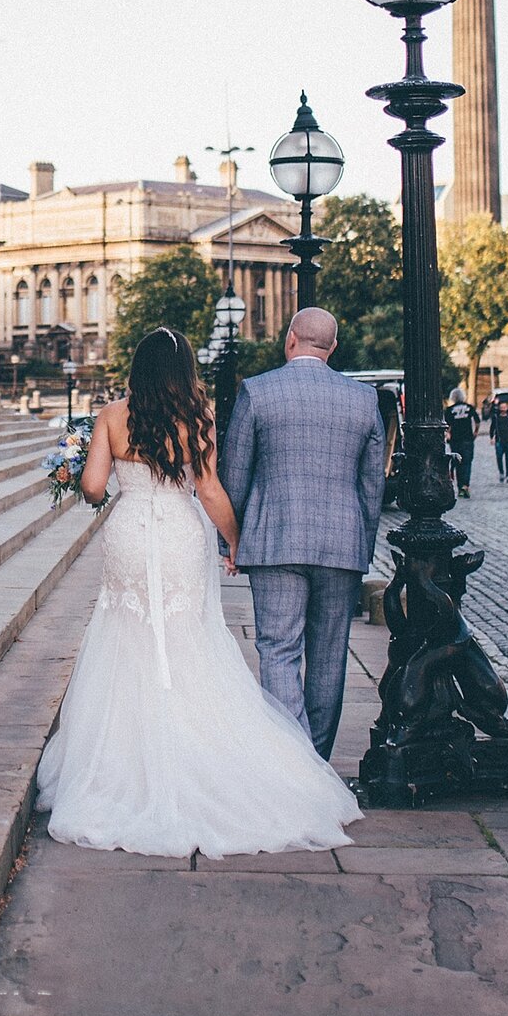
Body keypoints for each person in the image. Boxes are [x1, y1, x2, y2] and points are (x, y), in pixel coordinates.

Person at [36, 324, 364, 857]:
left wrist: (74, 469)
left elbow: (95, 488)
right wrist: (237, 542)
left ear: (138, 368)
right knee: (188, 634)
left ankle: (124, 762)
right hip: (181, 530)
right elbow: (209, 488)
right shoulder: (199, 416)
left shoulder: (112, 417)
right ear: (184, 368)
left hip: (131, 531)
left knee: (129, 632)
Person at [224, 306, 391, 758]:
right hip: (342, 543)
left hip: (273, 539)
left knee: (278, 648)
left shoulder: (257, 392)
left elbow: (235, 474)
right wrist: (364, 542)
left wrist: (230, 540)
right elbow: (373, 483)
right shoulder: (363, 399)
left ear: (289, 339)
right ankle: (315, 759)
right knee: (329, 655)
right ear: (332, 347)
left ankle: (293, 764)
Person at [444, 390, 479, 497]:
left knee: (458, 462)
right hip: (468, 438)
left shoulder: (449, 410)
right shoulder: (469, 407)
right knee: (467, 462)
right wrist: (475, 432)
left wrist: (448, 435)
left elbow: (447, 427)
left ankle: (460, 487)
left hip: (455, 439)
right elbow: (477, 421)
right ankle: (465, 485)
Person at [488, 400, 508, 483]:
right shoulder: (496, 418)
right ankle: (501, 473)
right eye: (501, 407)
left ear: (507, 408)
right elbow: (492, 429)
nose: (503, 409)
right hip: (499, 440)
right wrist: (492, 438)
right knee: (499, 457)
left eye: (504, 407)